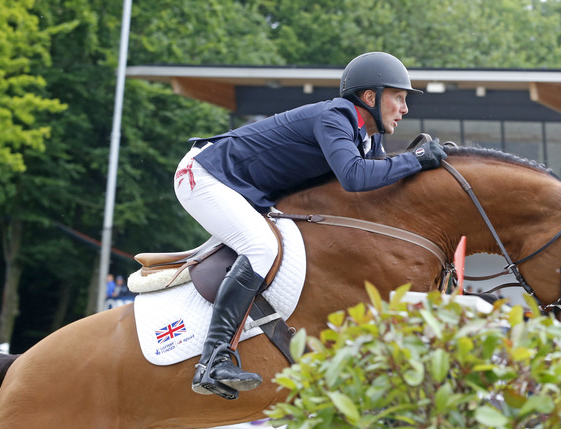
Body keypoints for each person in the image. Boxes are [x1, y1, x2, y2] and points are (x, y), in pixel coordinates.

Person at [173, 52, 447, 400]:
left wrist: (423, 168)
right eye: (399, 98)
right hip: (204, 175)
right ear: (370, 98)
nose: (405, 109)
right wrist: (417, 159)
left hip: (238, 186)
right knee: (261, 247)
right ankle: (213, 360)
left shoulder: (368, 138)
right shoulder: (337, 116)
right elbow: (354, 177)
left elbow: (379, 188)